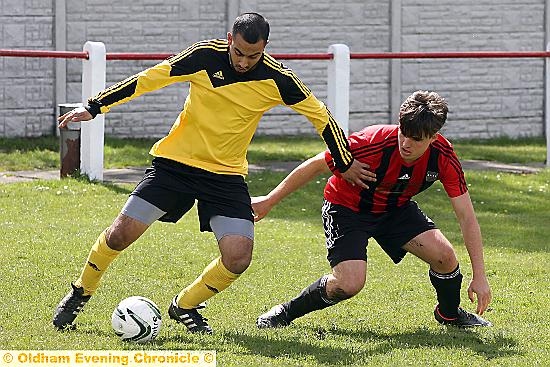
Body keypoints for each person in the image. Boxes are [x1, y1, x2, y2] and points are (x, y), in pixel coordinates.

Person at [52, 12, 374, 334]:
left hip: (225, 177)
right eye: (239, 53)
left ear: (265, 48)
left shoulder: (278, 79)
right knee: (121, 234)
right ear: (230, 40)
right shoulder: (204, 55)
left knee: (238, 258)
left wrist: (344, 162)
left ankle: (185, 305)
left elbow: (321, 116)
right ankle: (82, 291)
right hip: (174, 165)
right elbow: (150, 77)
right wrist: (95, 106)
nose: (245, 62)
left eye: (254, 55)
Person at [253, 90, 493, 329]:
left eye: (416, 139)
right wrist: (270, 200)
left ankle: (449, 315)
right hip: (347, 209)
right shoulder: (372, 142)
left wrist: (480, 276)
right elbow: (316, 165)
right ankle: (285, 312)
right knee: (349, 283)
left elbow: (467, 217)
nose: (406, 144)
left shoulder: (443, 156)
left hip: (395, 210)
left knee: (445, 256)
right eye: (403, 133)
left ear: (433, 137)